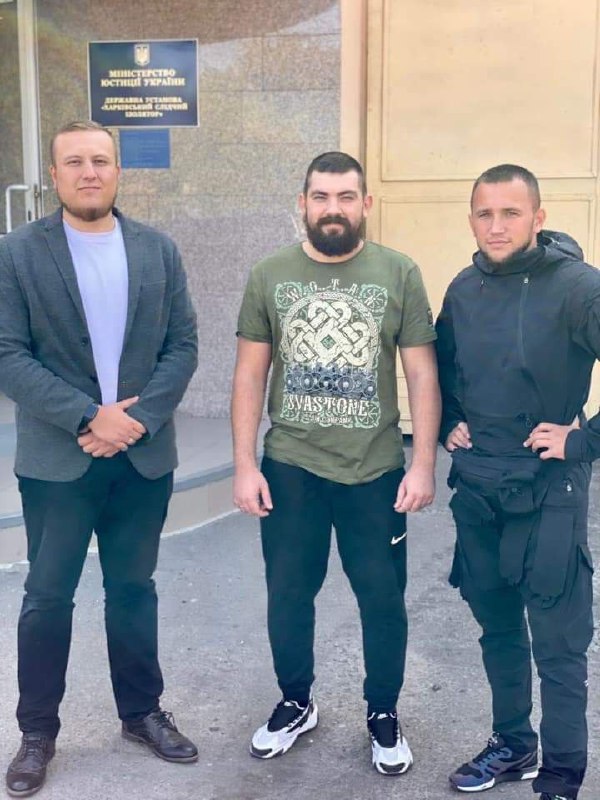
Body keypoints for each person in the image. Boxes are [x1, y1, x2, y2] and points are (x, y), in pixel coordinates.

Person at [0, 120, 199, 797]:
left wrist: (133, 421)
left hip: (141, 458)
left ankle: (141, 712)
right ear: (54, 175)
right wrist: (90, 416)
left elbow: (183, 345)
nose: (89, 172)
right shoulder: (16, 254)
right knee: (47, 597)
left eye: (101, 160)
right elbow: (7, 354)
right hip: (59, 461)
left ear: (118, 170)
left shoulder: (157, 250)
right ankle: (36, 733)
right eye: (75, 162)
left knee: (134, 590)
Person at [231, 151, 440, 775]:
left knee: (382, 598)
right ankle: (296, 702)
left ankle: (383, 712)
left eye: (346, 197)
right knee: (289, 593)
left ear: (365, 204)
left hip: (374, 471)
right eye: (321, 197)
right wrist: (244, 464)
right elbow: (249, 374)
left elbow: (422, 375)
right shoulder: (269, 274)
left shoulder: (398, 272)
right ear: (303, 203)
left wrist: (422, 464)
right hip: (291, 466)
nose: (333, 209)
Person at [436, 164, 598, 800]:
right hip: (479, 489)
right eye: (485, 213)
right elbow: (442, 368)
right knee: (499, 630)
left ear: (539, 217)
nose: (496, 226)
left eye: (510, 212)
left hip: (549, 491)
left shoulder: (578, 287)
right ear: (471, 220)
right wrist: (447, 420)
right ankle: (513, 744)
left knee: (558, 647)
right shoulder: (463, 288)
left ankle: (561, 775)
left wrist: (582, 441)